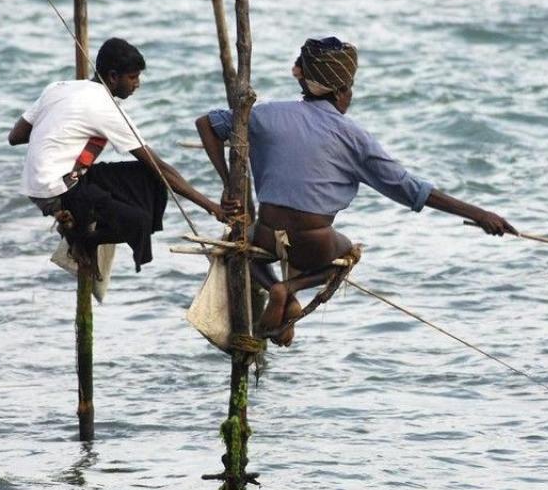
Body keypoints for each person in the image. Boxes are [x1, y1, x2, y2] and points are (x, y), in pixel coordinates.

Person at [195, 36, 517, 346]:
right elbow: (412, 190)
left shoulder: (264, 114)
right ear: (342, 91)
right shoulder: (353, 136)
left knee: (239, 243)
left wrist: (227, 184)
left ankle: (276, 289)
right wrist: (480, 214)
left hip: (267, 233)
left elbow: (206, 124)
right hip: (312, 245)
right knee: (348, 253)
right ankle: (287, 288)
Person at [9, 37, 229, 273]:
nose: (137, 84)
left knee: (147, 179)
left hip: (41, 184)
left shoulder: (58, 87)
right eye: (133, 77)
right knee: (139, 220)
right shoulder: (105, 108)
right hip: (59, 190)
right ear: (113, 77)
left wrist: (56, 134)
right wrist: (211, 207)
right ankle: (82, 239)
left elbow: (16, 136)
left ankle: (83, 220)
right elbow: (160, 167)